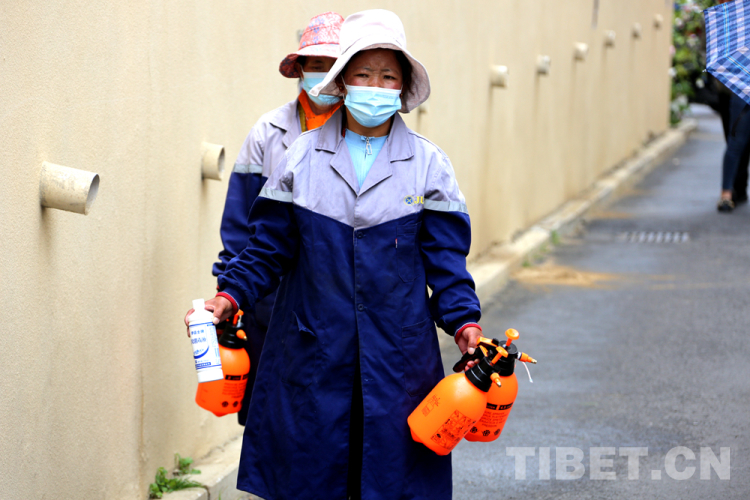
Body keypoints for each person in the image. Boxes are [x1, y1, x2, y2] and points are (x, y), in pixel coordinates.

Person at [188, 9, 483, 499]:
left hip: (398, 356)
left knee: (392, 476)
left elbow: (447, 264)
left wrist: (465, 322)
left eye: (387, 76)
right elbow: (267, 248)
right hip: (312, 349)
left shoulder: (430, 165)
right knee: (312, 473)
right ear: (343, 81)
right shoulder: (301, 156)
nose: (375, 85)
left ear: (402, 86)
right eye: (363, 74)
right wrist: (230, 294)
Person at [211, 11, 343, 425]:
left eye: (333, 65)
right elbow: (240, 220)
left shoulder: (362, 135)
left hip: (331, 294)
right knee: (267, 408)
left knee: (325, 411)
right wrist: (230, 287)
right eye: (316, 64)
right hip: (266, 295)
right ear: (299, 69)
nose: (323, 75)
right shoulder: (268, 131)